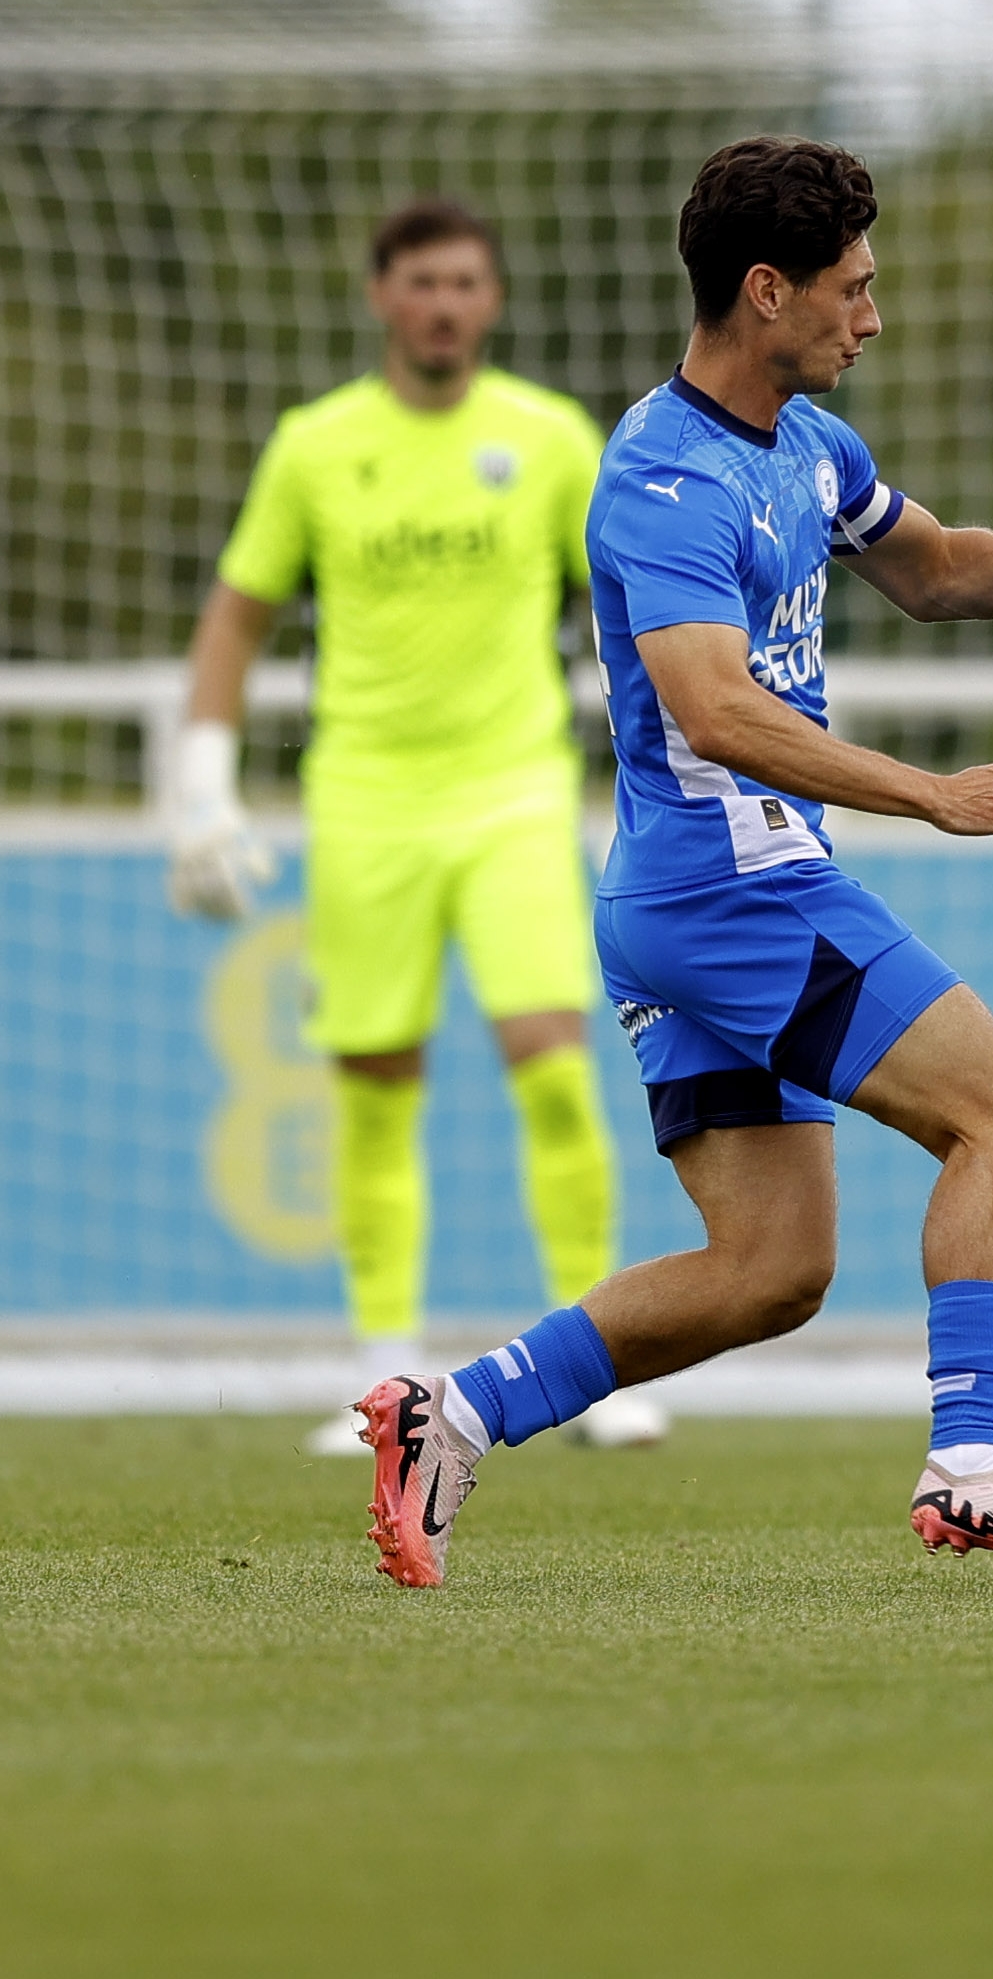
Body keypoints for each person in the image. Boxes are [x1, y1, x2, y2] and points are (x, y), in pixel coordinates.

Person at [354, 135, 993, 1589]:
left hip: (695, 900)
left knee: (770, 1271)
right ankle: (978, 1461)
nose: (871, 316)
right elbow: (716, 709)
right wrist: (934, 794)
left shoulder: (810, 445)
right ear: (764, 291)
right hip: (731, 890)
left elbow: (930, 568)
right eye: (851, 290)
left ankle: (454, 1412)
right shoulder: (662, 476)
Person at [171, 199, 664, 1456]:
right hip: (367, 803)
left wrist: (664, 741)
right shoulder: (317, 445)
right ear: (383, 295)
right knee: (376, 1090)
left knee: (553, 1064)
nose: (443, 303)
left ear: (490, 300)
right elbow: (236, 615)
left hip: (510, 794)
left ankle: (592, 1357)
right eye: (421, 282)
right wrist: (202, 784)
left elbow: (623, 606)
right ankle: (384, 1378)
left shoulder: (549, 438)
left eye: (463, 282)